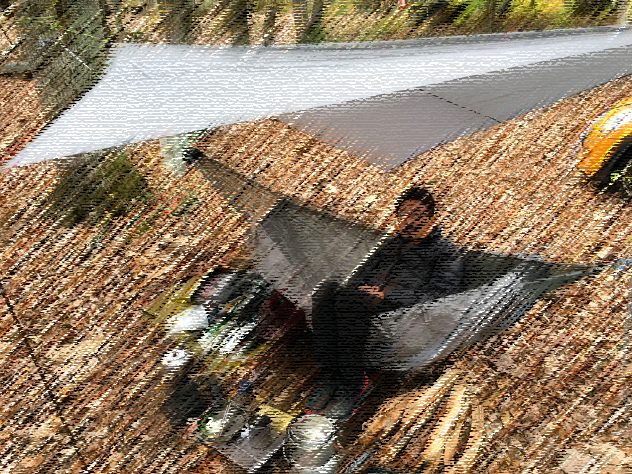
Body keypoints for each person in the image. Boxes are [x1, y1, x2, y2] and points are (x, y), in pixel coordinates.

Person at [308, 186, 466, 419]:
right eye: (404, 214)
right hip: (367, 301)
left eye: (418, 214)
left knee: (352, 303)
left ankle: (353, 384)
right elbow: (363, 275)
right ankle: (332, 373)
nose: (410, 220)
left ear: (432, 218)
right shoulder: (392, 245)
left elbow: (439, 297)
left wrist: (387, 295)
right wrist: (358, 289)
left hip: (406, 312)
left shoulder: (446, 253)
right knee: (327, 291)